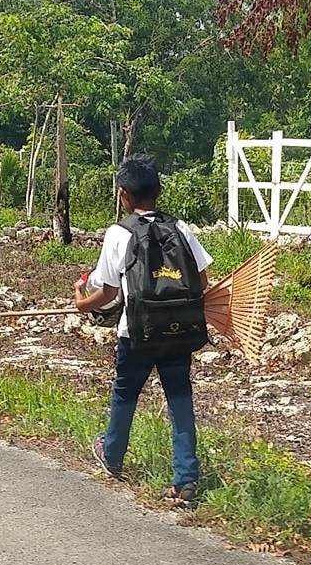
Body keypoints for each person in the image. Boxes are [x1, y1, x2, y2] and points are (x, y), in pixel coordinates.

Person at [74, 153, 212, 504]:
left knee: (125, 393)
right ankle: (185, 481)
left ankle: (113, 454)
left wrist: (80, 303)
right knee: (180, 399)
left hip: (136, 331)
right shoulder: (180, 228)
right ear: (159, 190)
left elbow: (107, 293)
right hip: (180, 329)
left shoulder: (119, 233)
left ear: (123, 194)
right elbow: (202, 280)